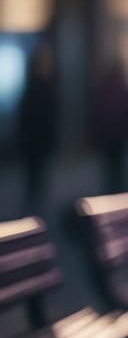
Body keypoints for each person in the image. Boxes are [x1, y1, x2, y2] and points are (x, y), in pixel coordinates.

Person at [89, 59, 128, 194]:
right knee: (118, 168)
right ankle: (117, 191)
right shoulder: (123, 89)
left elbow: (97, 114)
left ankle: (112, 191)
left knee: (110, 169)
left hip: (109, 138)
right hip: (119, 138)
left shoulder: (105, 89)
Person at [15, 41, 59, 215]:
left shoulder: (31, 87)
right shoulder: (43, 88)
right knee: (36, 175)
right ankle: (34, 208)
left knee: (34, 176)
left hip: (34, 141)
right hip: (38, 141)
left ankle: (32, 207)